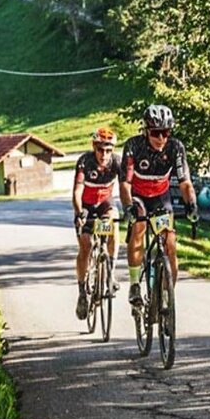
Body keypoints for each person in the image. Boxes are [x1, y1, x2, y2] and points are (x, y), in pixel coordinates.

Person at [119, 104, 196, 310]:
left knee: (170, 242)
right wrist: (128, 207)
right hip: (138, 196)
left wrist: (191, 204)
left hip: (161, 196)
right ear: (146, 131)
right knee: (139, 228)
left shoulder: (175, 147)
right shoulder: (134, 146)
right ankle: (135, 284)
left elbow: (185, 183)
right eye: (156, 133)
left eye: (166, 132)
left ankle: (166, 292)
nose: (161, 138)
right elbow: (125, 184)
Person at [72, 126, 122, 319]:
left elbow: (127, 185)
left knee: (113, 223)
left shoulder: (117, 162)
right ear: (94, 147)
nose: (104, 154)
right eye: (101, 149)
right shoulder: (85, 161)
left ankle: (109, 274)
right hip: (85, 205)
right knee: (85, 246)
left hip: (104, 204)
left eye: (108, 150)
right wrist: (79, 213)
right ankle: (82, 291)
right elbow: (77, 192)